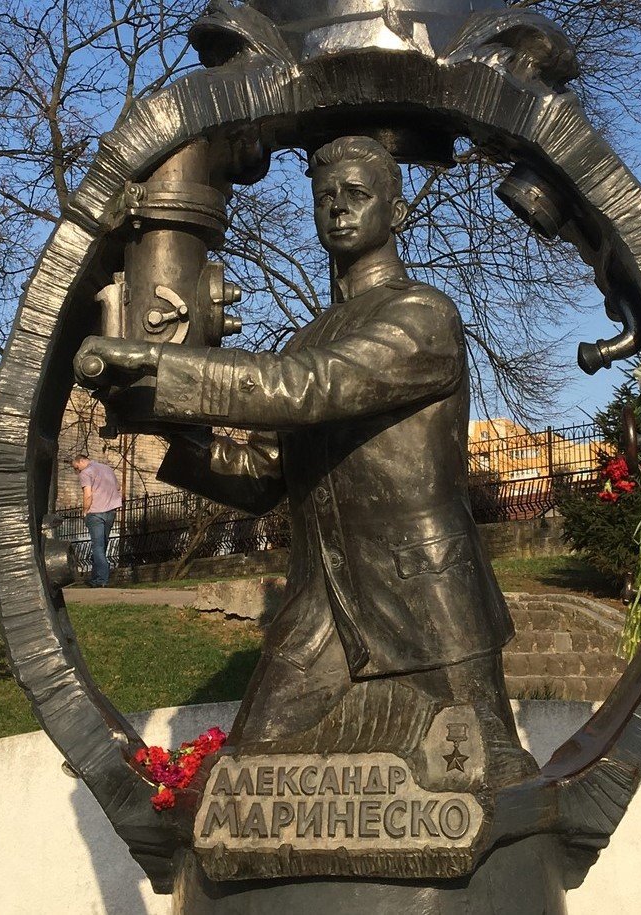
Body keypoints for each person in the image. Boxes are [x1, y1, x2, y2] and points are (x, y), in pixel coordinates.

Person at [73, 136, 527, 782]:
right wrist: (164, 427)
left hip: (427, 597)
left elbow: (310, 385)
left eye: (357, 195)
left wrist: (159, 365)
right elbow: (260, 475)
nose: (338, 208)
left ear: (395, 213)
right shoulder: (307, 337)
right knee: (245, 772)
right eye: (325, 198)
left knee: (488, 779)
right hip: (322, 606)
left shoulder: (423, 315)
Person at [71, 452, 121, 587]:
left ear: (81, 461)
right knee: (102, 546)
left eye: (76, 467)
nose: (77, 471)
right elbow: (118, 487)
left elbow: (87, 495)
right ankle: (96, 578)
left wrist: (85, 511)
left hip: (95, 513)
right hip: (111, 511)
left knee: (97, 547)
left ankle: (102, 580)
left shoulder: (86, 473)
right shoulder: (107, 469)